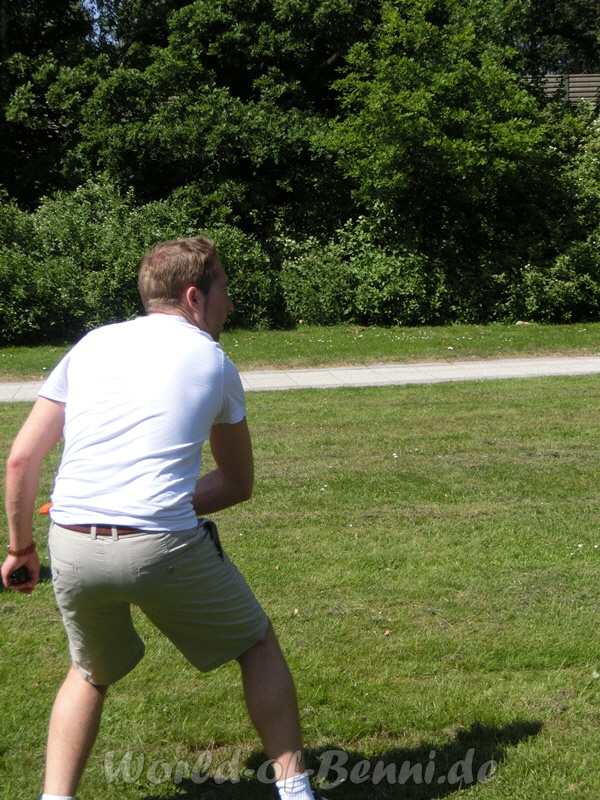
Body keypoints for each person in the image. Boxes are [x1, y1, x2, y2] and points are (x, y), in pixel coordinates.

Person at [2, 237, 326, 800]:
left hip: (71, 543)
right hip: (162, 546)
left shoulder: (91, 344)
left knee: (88, 671)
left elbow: (21, 460)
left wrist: (20, 549)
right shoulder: (214, 361)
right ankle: (295, 790)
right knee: (257, 645)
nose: (230, 304)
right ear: (195, 296)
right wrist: (154, 506)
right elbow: (237, 484)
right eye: (224, 289)